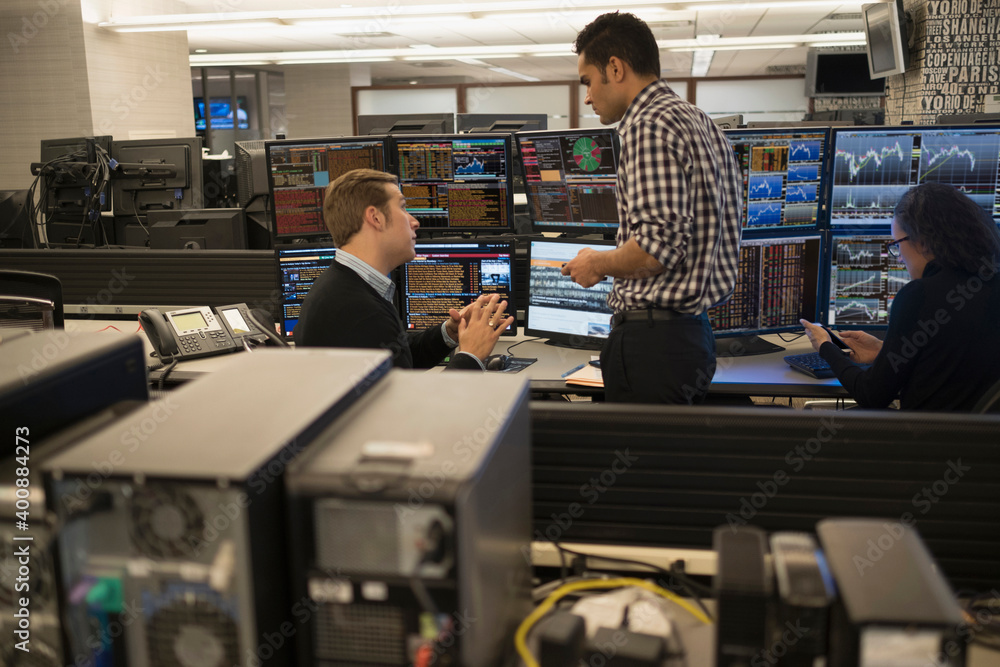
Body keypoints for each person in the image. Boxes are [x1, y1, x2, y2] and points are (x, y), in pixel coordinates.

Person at [561, 12, 743, 404]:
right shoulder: (702, 122)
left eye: (588, 82)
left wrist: (596, 263)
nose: (588, 96)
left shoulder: (648, 126)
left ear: (615, 68)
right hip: (690, 336)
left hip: (653, 347)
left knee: (640, 461)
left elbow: (656, 250)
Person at [801, 182, 1000, 410]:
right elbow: (956, 360)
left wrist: (827, 348)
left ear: (924, 242)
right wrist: (885, 351)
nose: (899, 258)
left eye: (897, 244)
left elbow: (872, 395)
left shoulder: (919, 295)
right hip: (983, 441)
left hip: (924, 441)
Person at [295, 168, 513, 370]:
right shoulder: (359, 311)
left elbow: (398, 358)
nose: (414, 221)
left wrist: (449, 333)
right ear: (376, 218)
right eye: (402, 207)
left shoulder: (343, 287)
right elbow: (410, 409)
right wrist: (471, 355)